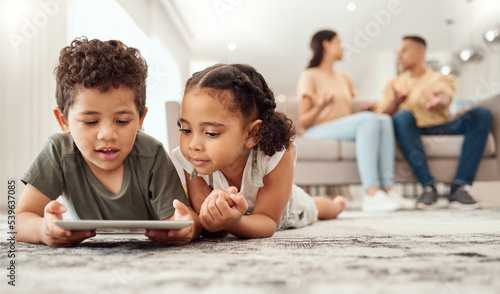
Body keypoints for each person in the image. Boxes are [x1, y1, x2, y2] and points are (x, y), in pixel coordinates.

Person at [16, 37, 201, 247]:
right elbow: (19, 220)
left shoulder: (152, 154)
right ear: (63, 121)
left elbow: (187, 220)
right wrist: (43, 230)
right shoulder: (59, 152)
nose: (107, 134)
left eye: (122, 121)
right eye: (91, 121)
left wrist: (187, 227)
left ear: (140, 119)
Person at [172, 63, 346, 239]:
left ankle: (337, 205)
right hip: (245, 214)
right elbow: (211, 226)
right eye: (186, 130)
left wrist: (235, 222)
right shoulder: (192, 158)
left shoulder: (277, 153)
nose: (193, 144)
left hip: (287, 208)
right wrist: (215, 214)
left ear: (252, 133)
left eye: (211, 133)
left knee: (314, 207)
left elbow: (268, 221)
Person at [297, 30, 414, 212]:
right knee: (368, 120)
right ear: (326, 45)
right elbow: (303, 122)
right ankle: (371, 193)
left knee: (382, 119)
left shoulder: (344, 78)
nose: (343, 47)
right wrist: (320, 106)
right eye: (339, 42)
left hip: (341, 128)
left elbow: (346, 114)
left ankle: (388, 189)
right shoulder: (310, 75)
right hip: (316, 130)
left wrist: (362, 113)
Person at [375, 35, 493, 210]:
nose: (399, 55)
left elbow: (445, 95)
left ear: (420, 52)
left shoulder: (440, 77)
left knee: (481, 113)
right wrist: (396, 103)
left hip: (442, 126)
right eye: (399, 51)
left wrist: (440, 102)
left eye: (404, 50)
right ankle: (428, 187)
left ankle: (460, 187)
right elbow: (381, 116)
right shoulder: (393, 84)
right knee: (402, 116)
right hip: (412, 131)